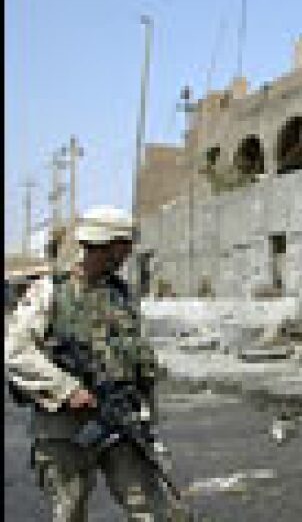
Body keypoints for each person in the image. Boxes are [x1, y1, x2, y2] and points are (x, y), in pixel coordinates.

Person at [5, 206, 187, 522]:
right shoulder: (50, 291)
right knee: (70, 511)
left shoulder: (121, 293)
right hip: (65, 427)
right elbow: (16, 352)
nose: (128, 253)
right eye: (124, 246)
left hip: (122, 422)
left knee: (154, 510)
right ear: (109, 245)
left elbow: (134, 357)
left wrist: (146, 416)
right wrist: (67, 388)